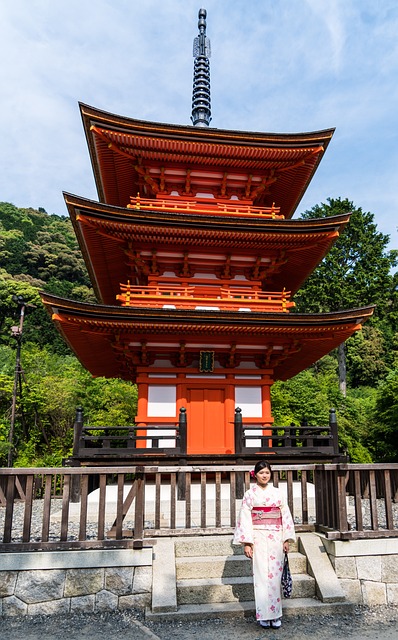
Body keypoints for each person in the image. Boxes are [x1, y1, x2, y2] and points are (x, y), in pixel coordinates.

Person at [233, 459, 296, 629]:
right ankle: (263, 615)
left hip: (276, 536)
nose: (264, 475)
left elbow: (285, 515)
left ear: (271, 474)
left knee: (275, 577)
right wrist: (247, 542)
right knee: (260, 577)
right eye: (261, 473)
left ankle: (275, 614)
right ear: (256, 475)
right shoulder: (250, 494)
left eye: (267, 472)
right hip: (258, 536)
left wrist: (286, 538)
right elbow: (245, 519)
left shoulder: (278, 493)